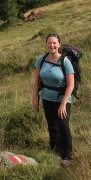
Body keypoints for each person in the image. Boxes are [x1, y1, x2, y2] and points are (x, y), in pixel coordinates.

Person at [32, 33, 75, 167]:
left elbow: (71, 85)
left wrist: (63, 104)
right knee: (52, 125)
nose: (52, 45)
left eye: (54, 43)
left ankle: (67, 155)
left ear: (59, 44)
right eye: (49, 43)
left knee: (63, 126)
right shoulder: (42, 59)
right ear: (46, 44)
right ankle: (55, 151)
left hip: (63, 99)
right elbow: (37, 82)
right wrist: (35, 98)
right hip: (46, 97)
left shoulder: (65, 61)